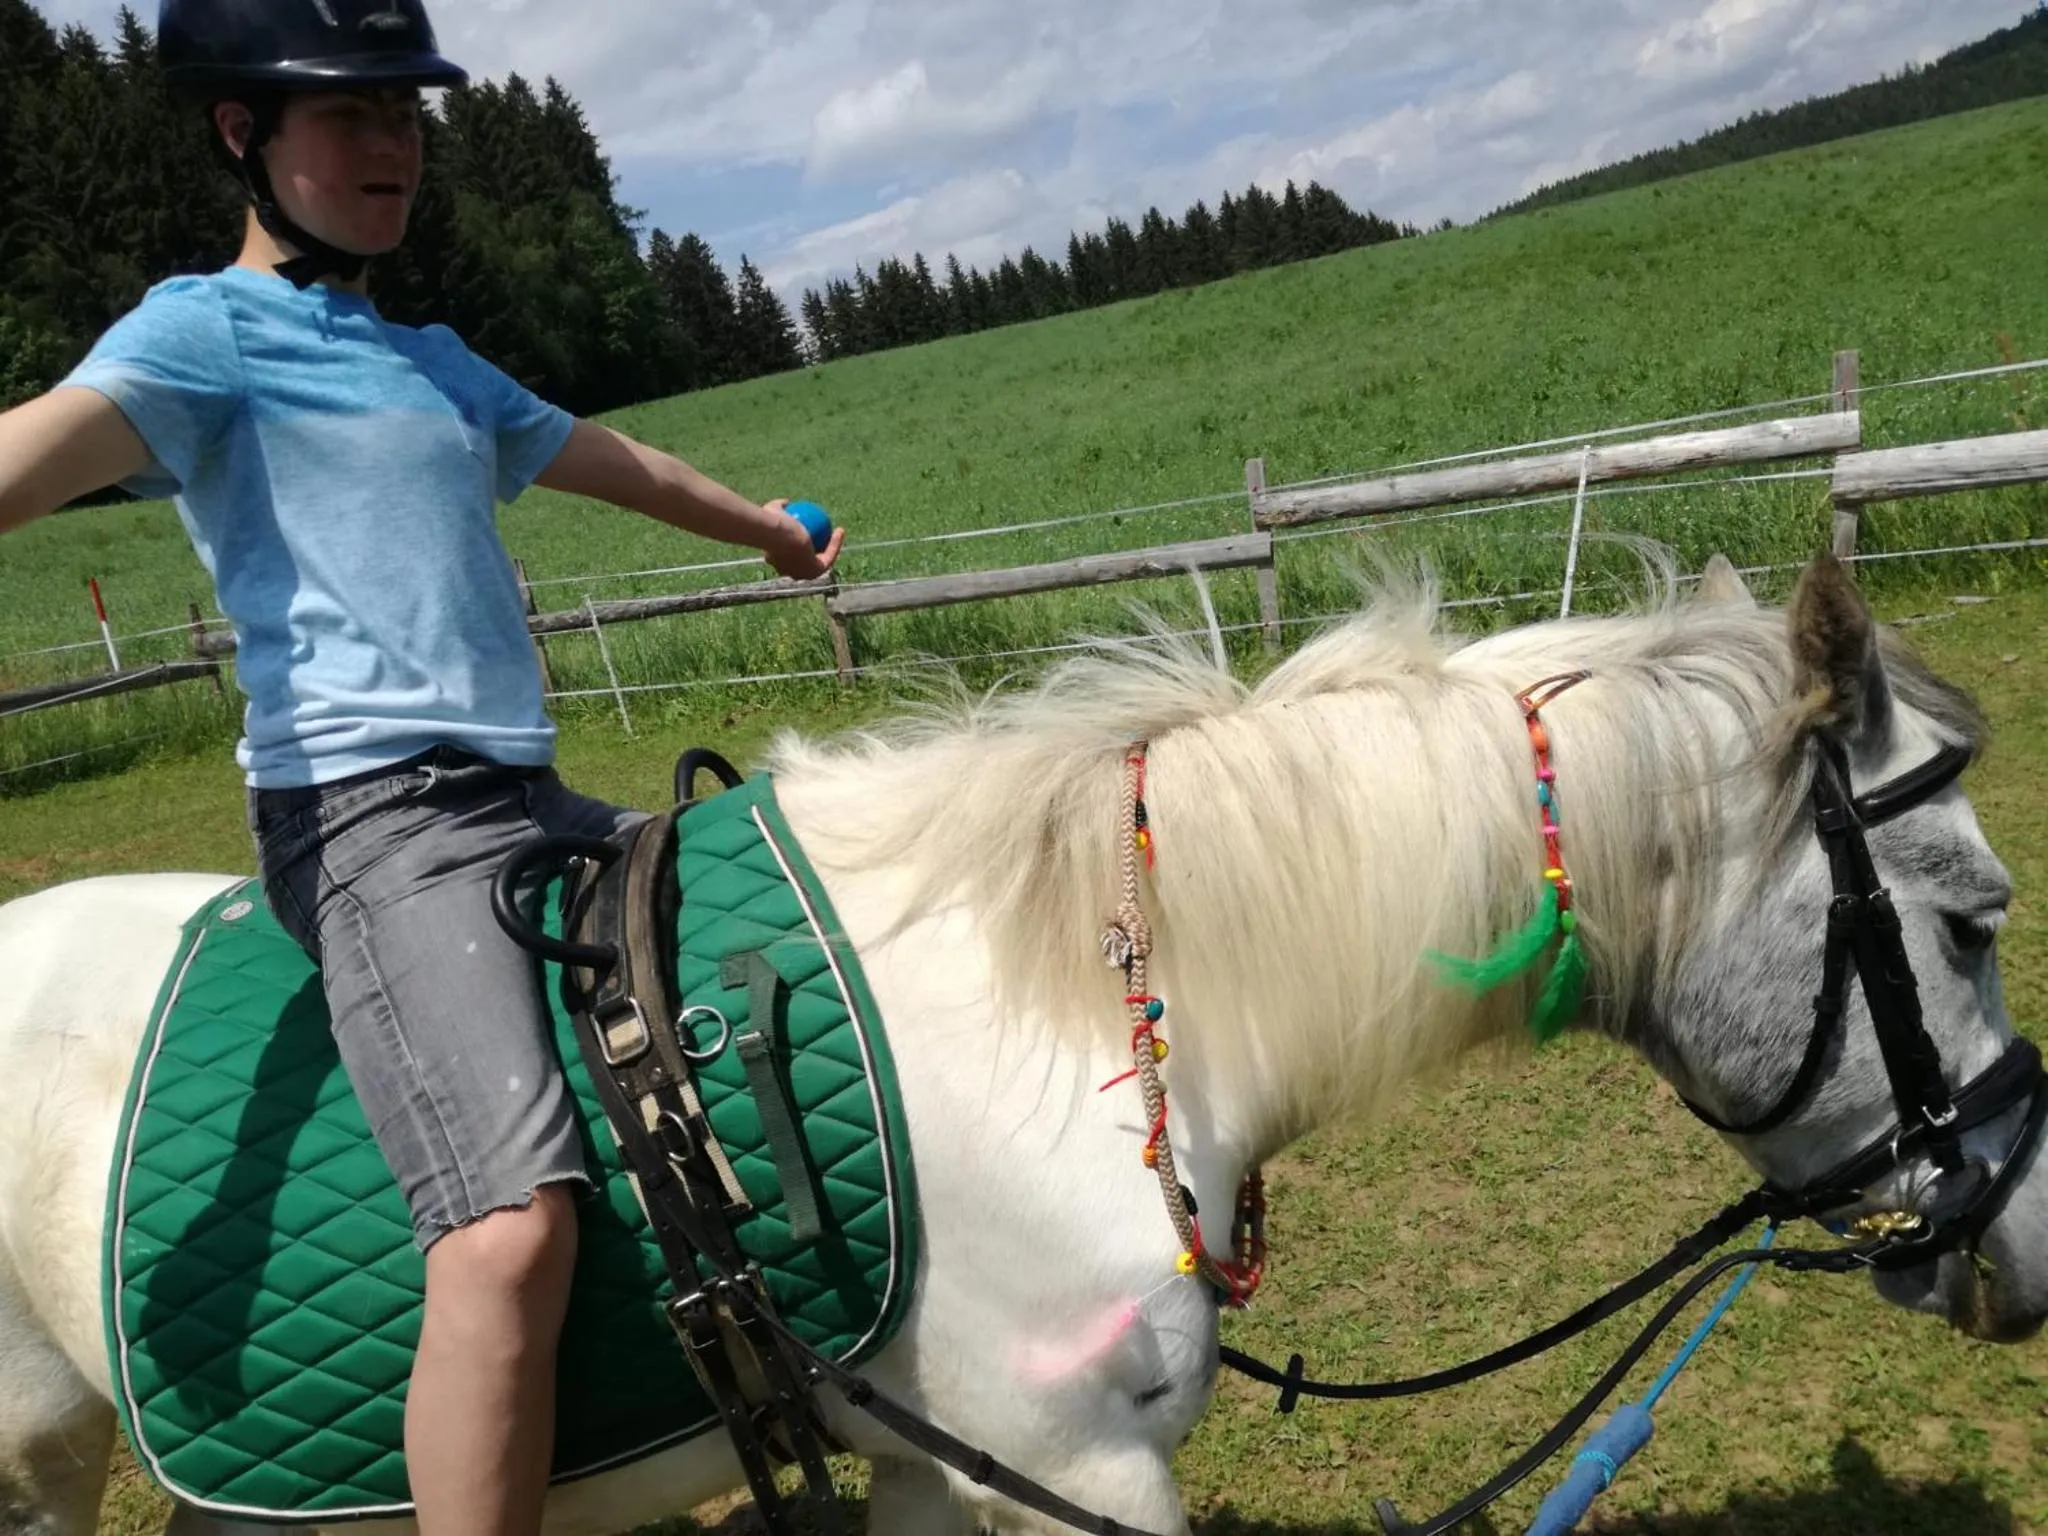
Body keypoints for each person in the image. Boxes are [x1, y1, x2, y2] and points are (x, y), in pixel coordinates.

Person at [0, 2, 840, 1530]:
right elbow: (26, 455)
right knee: (506, 1234)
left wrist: (768, 531)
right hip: (372, 823)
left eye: (405, 115)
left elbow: (613, 460)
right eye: (349, 118)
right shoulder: (203, 331)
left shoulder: (431, 360)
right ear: (241, 134)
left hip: (530, 793)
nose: (393, 148)